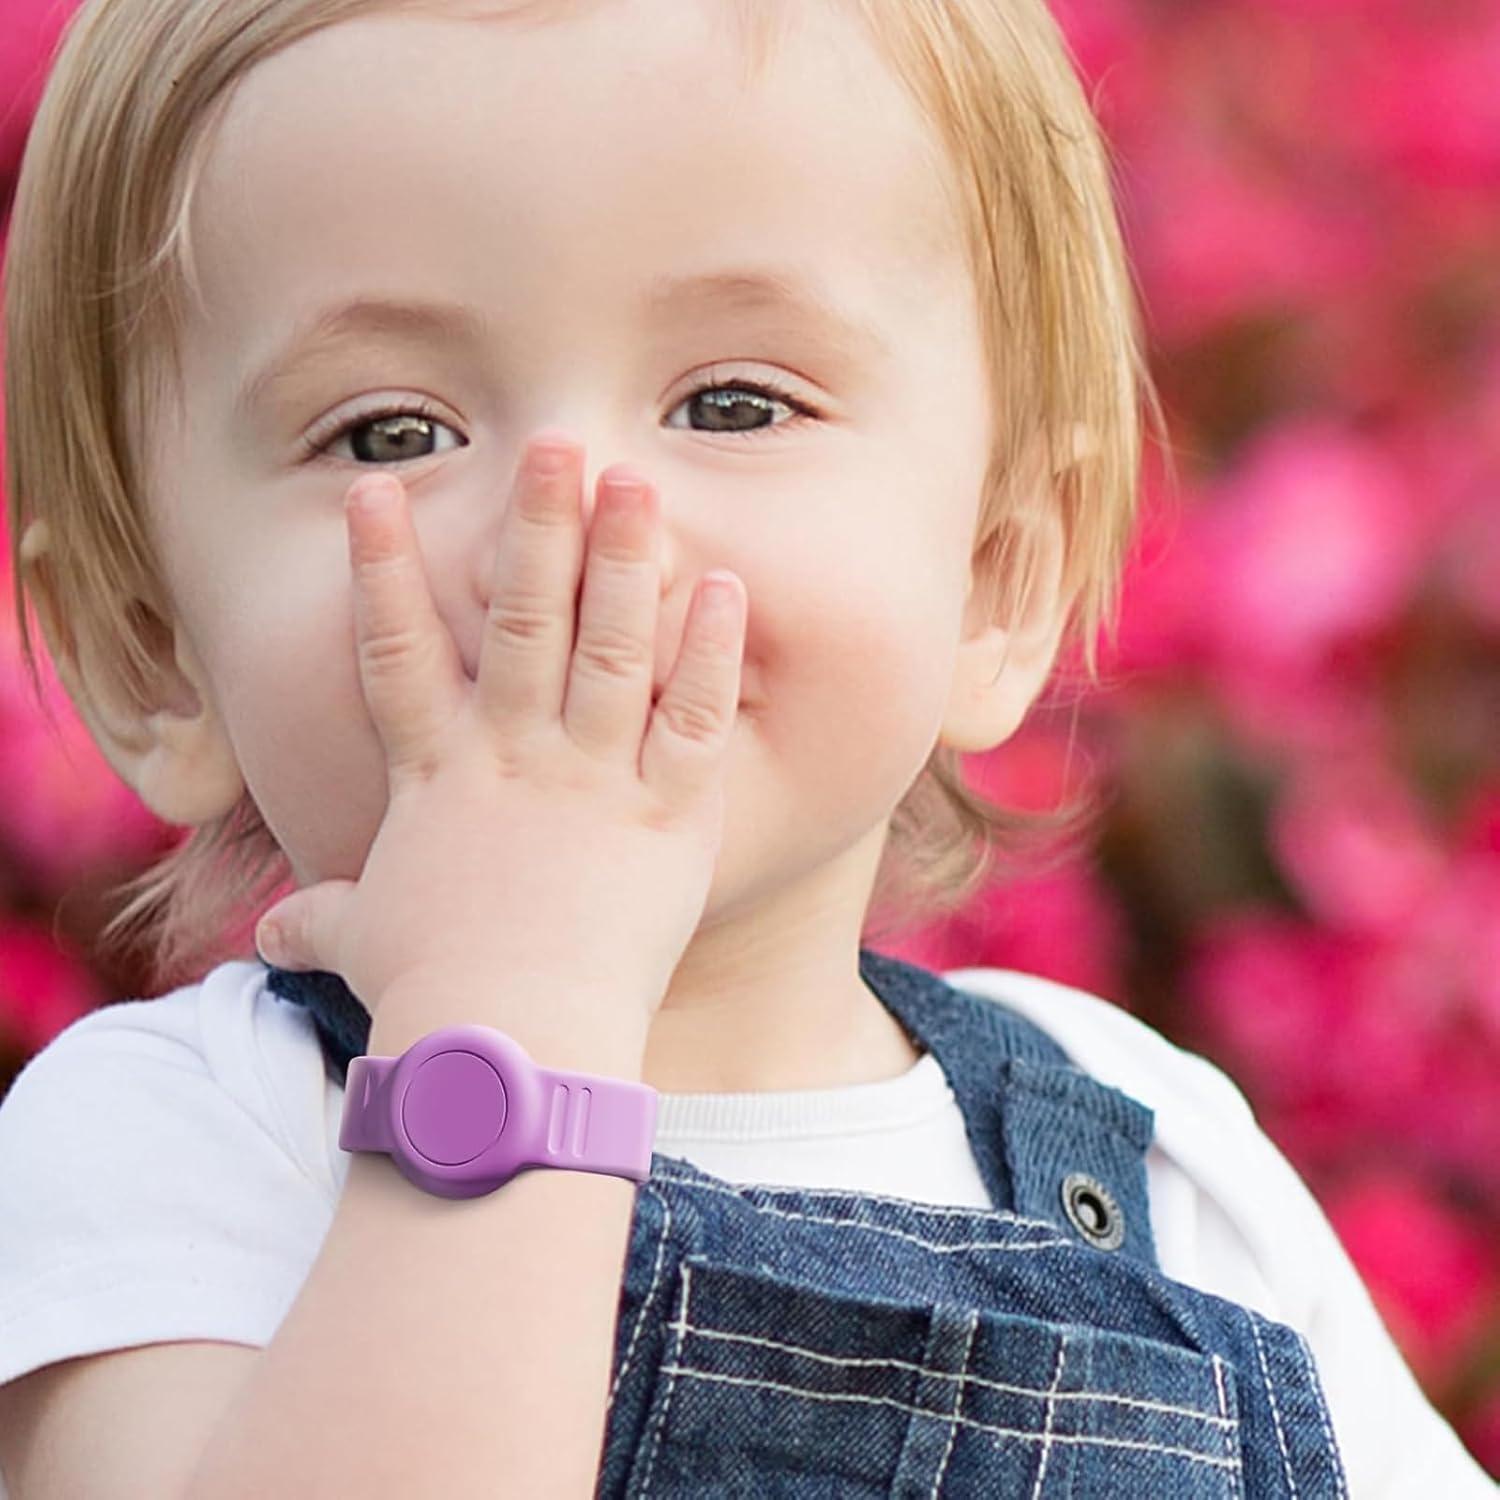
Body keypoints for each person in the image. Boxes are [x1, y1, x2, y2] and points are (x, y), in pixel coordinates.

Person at [0, 0, 1492, 1494]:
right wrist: (506, 1023)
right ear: (153, 652)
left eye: (733, 402)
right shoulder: (173, 1149)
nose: (574, 525)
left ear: (993, 578)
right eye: (390, 432)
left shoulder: (1167, 1167)